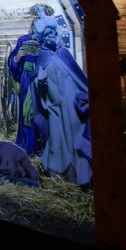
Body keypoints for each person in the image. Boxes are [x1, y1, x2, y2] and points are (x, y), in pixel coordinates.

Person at [30, 14, 92, 187]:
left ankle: (80, 174)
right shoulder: (41, 56)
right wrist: (40, 81)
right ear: (42, 38)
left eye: (52, 33)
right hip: (54, 107)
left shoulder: (64, 53)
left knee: (75, 137)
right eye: (46, 35)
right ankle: (60, 173)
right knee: (57, 138)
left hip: (71, 105)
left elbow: (77, 77)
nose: (50, 37)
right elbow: (36, 83)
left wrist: (84, 94)